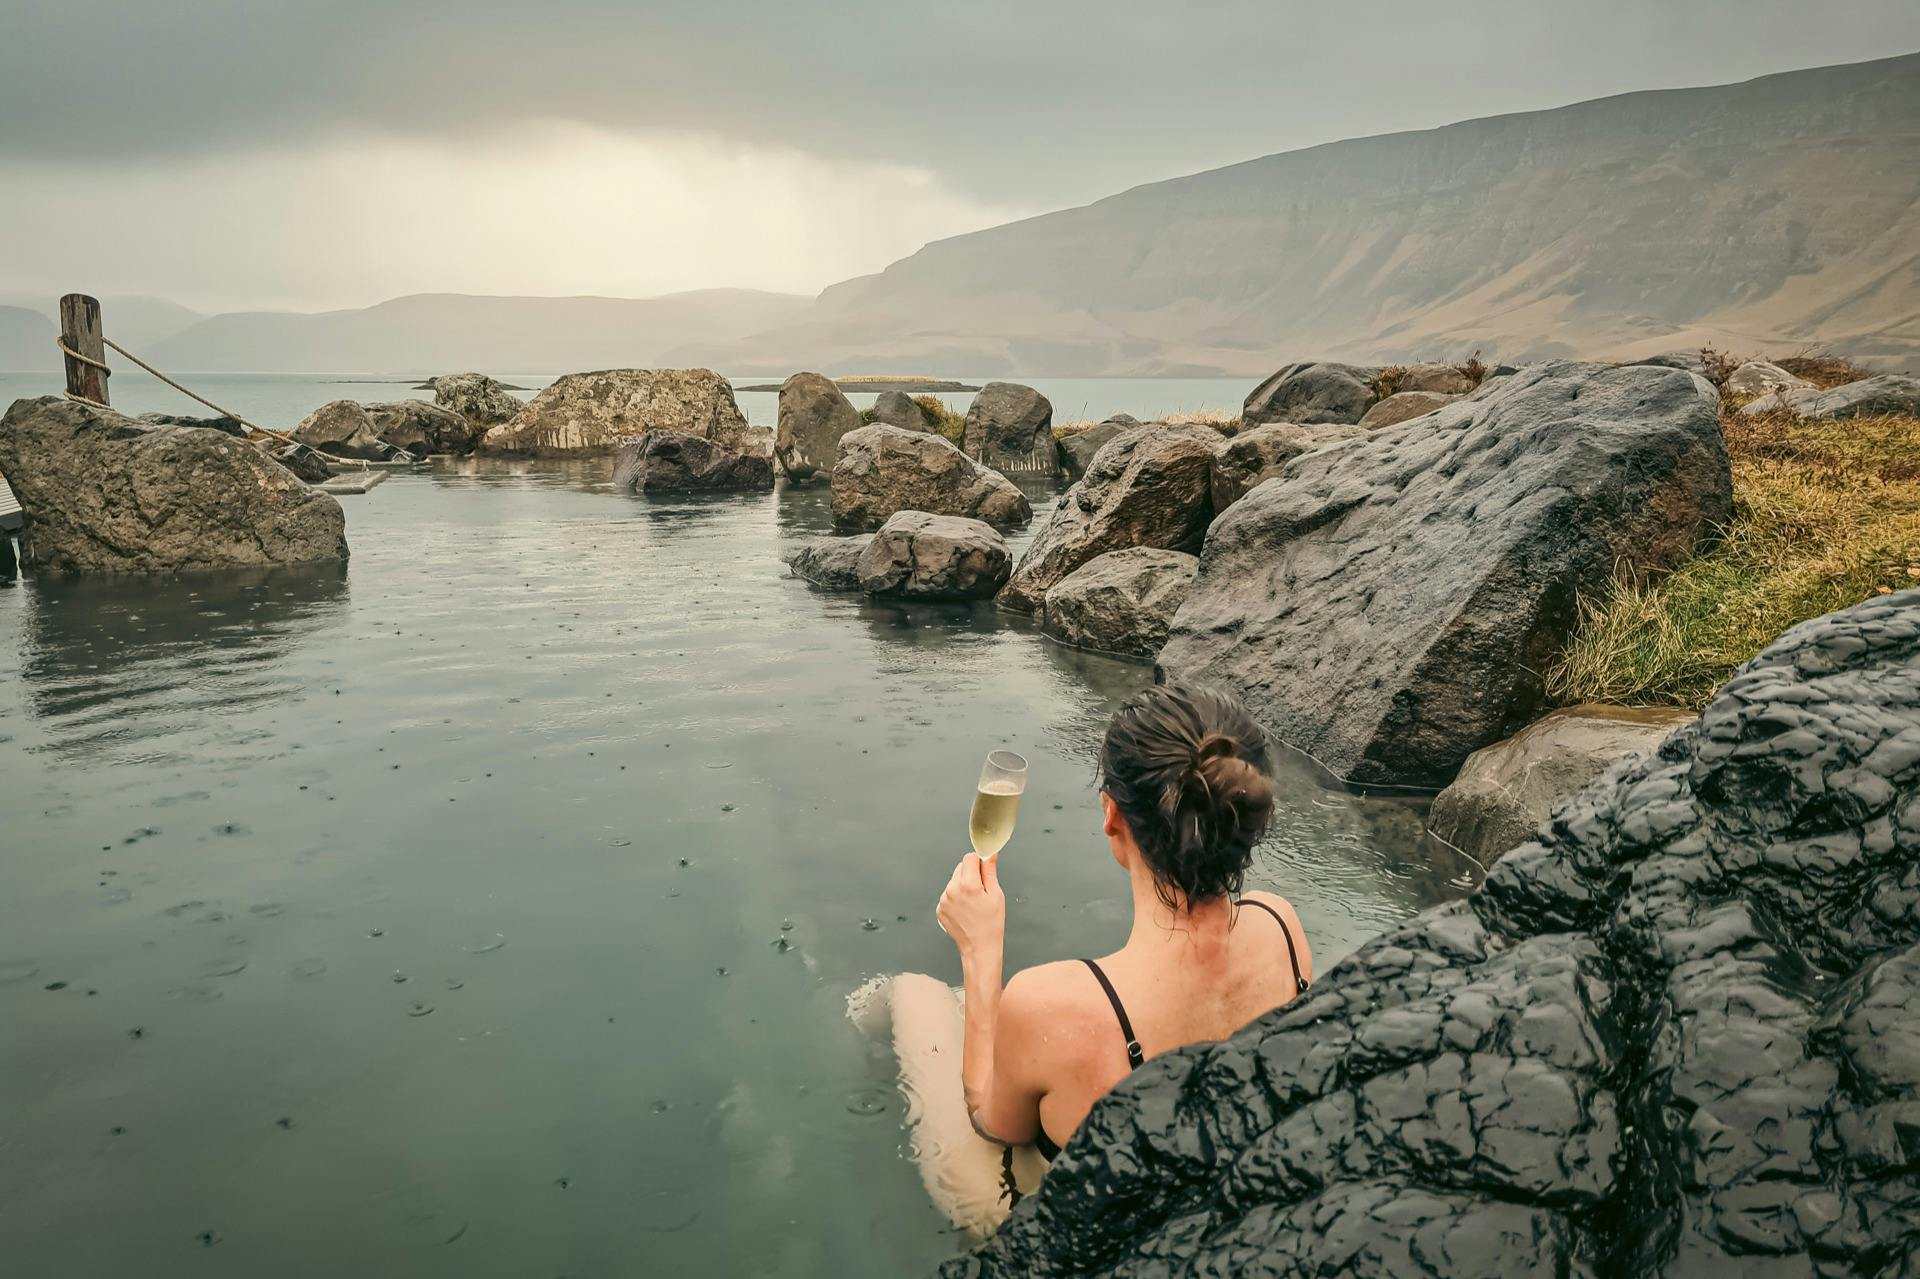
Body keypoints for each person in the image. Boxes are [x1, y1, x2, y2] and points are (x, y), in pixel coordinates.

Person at [935, 682, 1312, 1166]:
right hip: (1245, 1199)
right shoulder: (1282, 925)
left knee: (909, 995)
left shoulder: (1051, 1006)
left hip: (1103, 1229)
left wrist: (980, 953)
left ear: (1112, 813)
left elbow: (991, 1125)